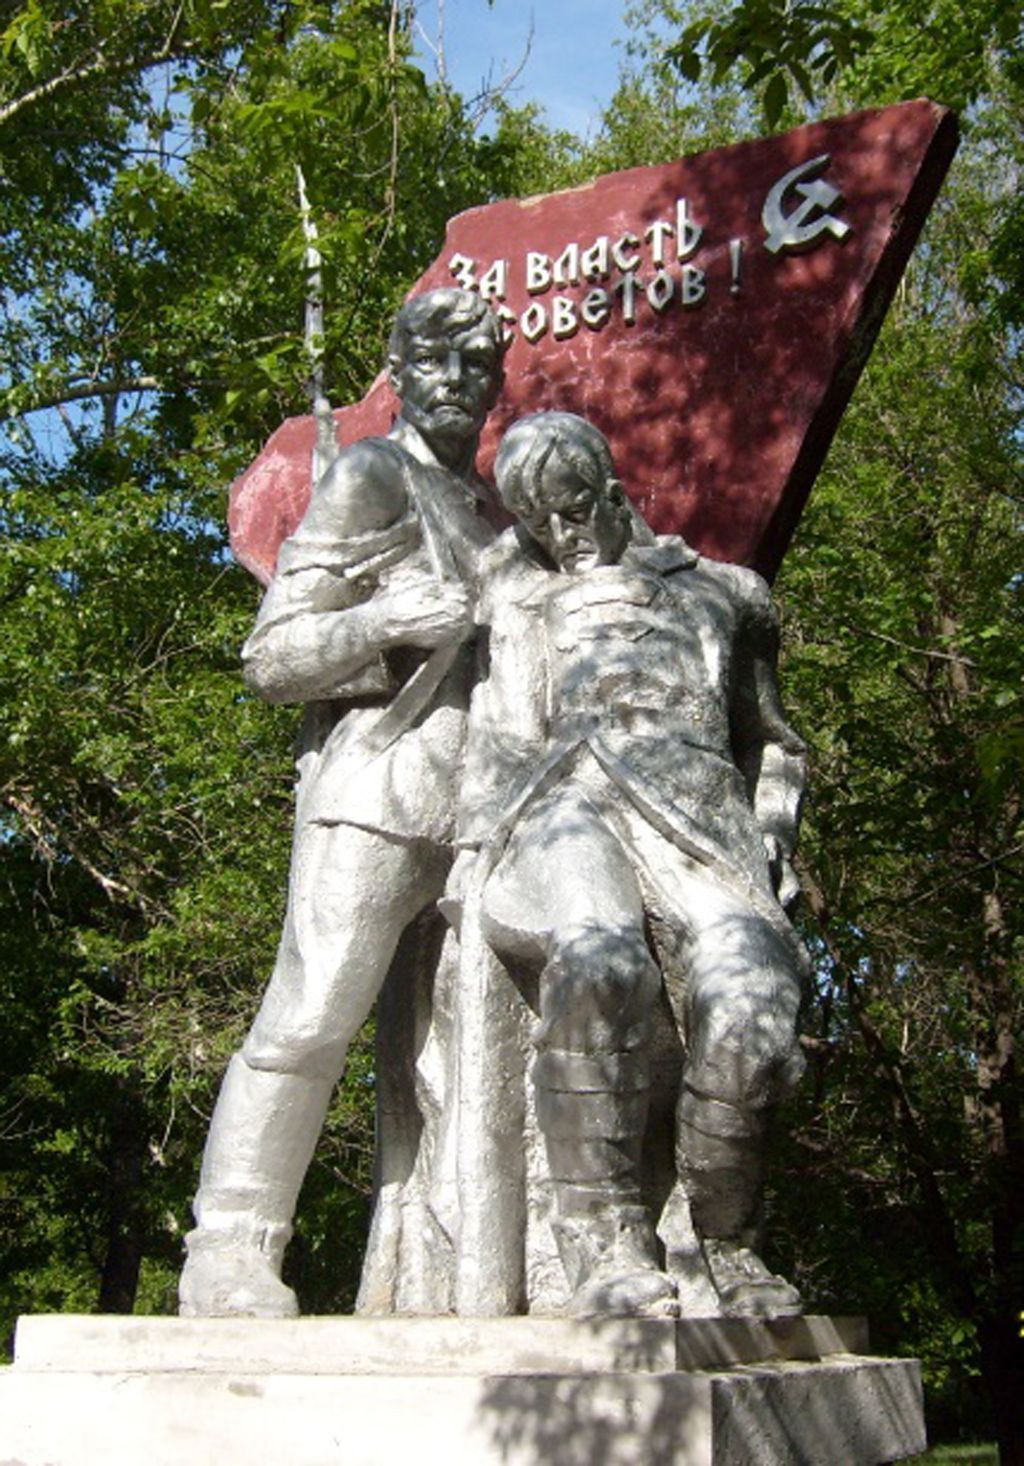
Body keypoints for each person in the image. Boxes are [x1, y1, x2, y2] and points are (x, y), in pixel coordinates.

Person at [179, 288, 505, 1318]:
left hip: (485, 811)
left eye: (478, 364)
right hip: (378, 790)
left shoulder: (494, 507)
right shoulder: (370, 475)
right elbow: (273, 657)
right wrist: (382, 620)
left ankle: (456, 1264)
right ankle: (229, 1246)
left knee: (472, 1051)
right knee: (313, 1012)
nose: (457, 381)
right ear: (398, 374)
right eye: (436, 360)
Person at [452, 411, 809, 1317]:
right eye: (538, 523)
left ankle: (724, 1241)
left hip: (703, 829)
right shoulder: (519, 602)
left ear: (611, 492)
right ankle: (603, 1241)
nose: (560, 536)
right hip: (565, 811)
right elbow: (498, 748)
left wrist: (776, 827)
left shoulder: (727, 594)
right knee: (601, 962)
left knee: (755, 1018)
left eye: (572, 511)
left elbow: (774, 743)